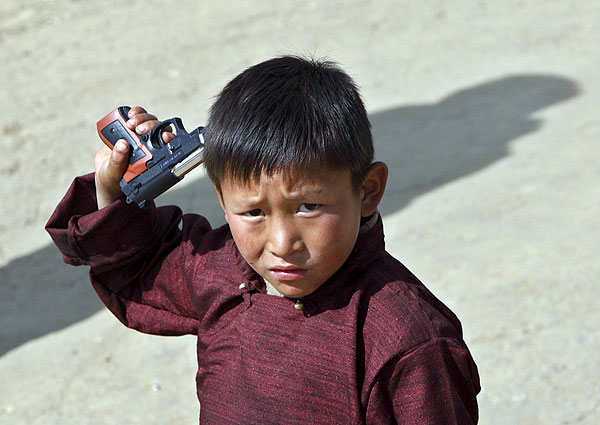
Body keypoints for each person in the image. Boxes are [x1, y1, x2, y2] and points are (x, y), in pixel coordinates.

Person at [46, 56, 480, 424]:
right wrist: (116, 194)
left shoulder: (407, 340)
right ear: (221, 199)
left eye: (308, 207)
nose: (281, 242)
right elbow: (134, 271)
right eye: (253, 212)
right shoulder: (220, 271)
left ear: (367, 191)